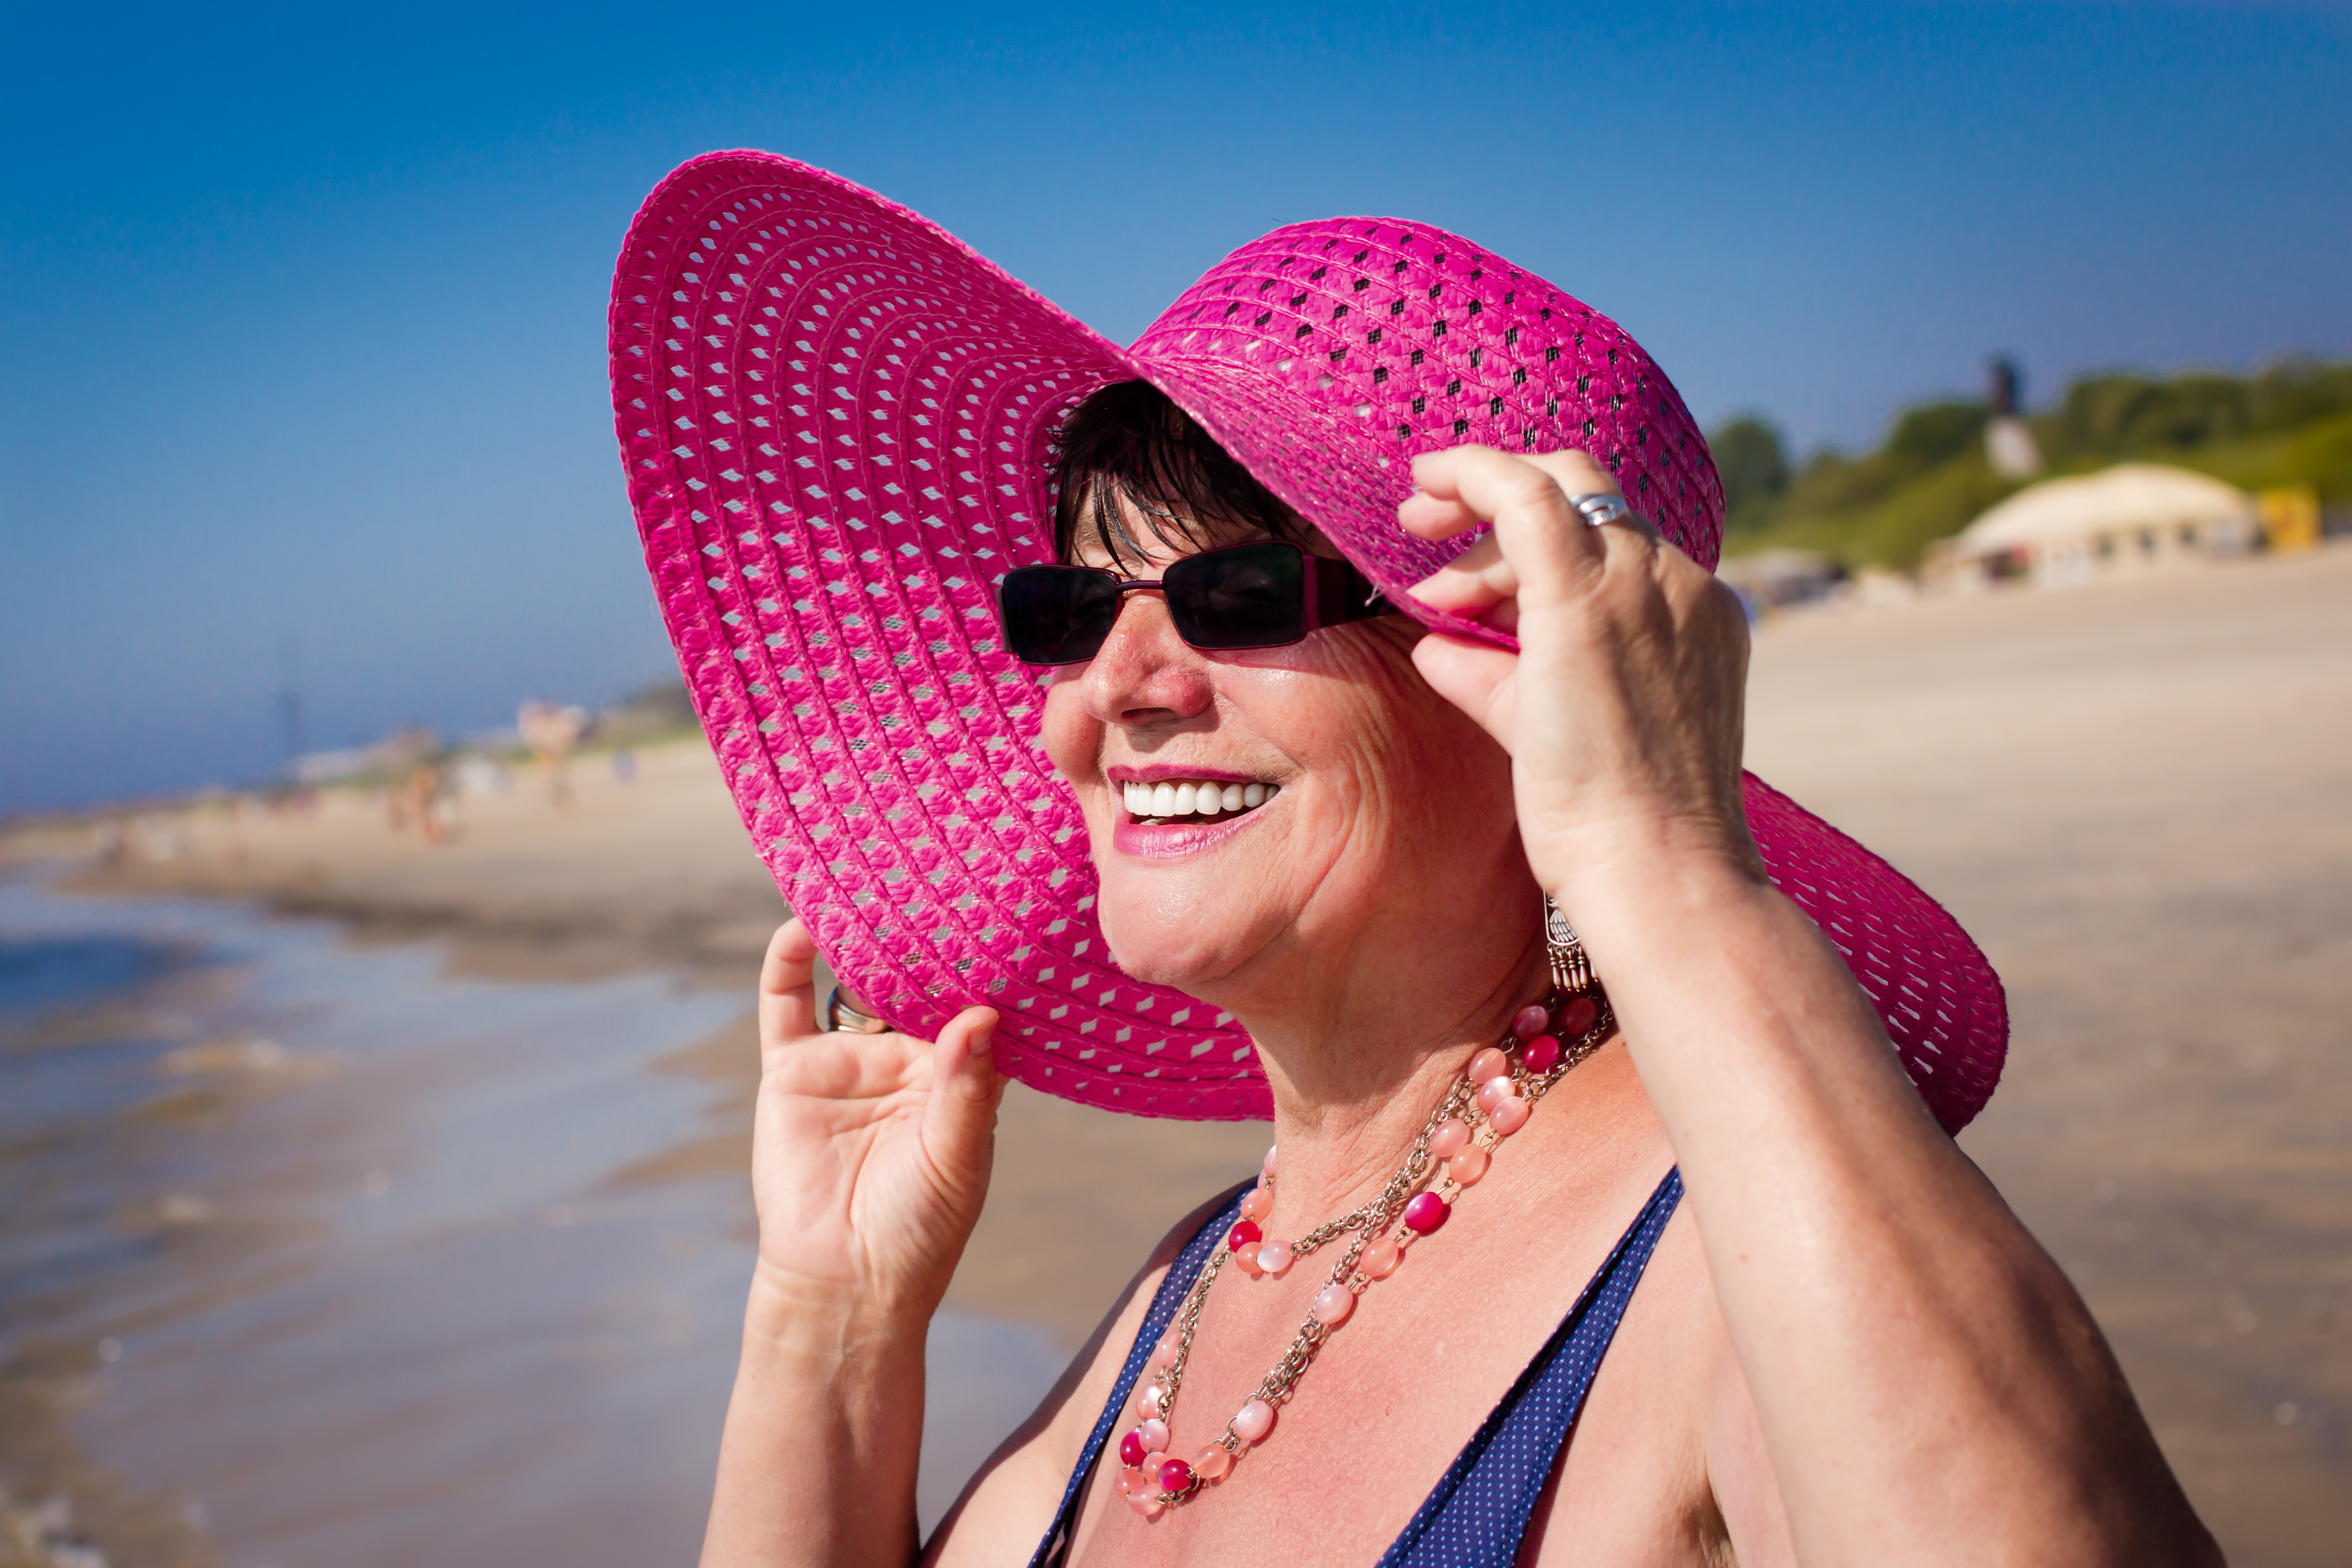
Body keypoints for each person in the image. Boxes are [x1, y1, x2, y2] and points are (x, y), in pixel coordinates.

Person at [608, 153, 2217, 1566]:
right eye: (1072, 610)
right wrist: (832, 1323)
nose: (1119, 688)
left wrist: (1668, 865)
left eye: (1238, 596)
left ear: (1536, 686)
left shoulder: (1728, 1249)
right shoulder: (1189, 1290)